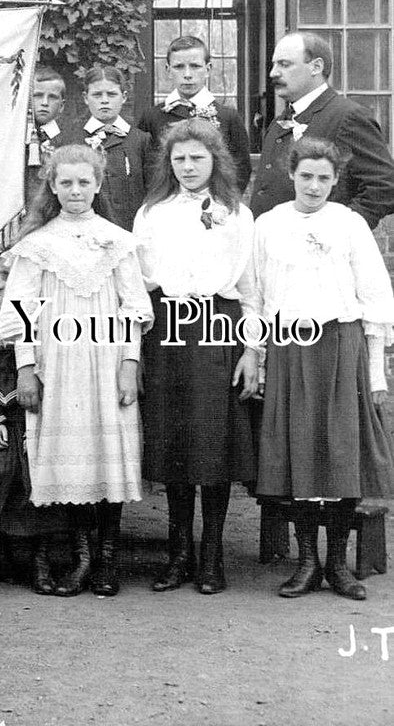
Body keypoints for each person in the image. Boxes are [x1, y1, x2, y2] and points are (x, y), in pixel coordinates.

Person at [0, 144, 153, 597]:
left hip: (106, 362)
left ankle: (106, 561)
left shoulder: (117, 241)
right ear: (53, 186)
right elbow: (23, 311)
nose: (75, 190)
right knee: (69, 461)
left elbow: (133, 309)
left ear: (98, 185)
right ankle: (80, 556)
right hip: (57, 366)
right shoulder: (37, 245)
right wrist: (27, 369)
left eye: (84, 182)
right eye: (66, 182)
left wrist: (129, 363)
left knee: (108, 453)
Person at [253, 137, 394, 600]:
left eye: (324, 178)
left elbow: (375, 297)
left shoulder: (349, 224)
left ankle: (337, 564)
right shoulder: (269, 225)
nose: (314, 186)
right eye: (306, 176)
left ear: (336, 181)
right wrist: (257, 354)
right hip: (290, 345)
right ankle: (306, 562)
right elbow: (254, 294)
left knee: (340, 454)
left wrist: (375, 374)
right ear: (291, 174)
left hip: (340, 345)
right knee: (299, 454)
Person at [132, 118, 260, 595]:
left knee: (213, 443)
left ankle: (212, 554)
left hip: (217, 326)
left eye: (197, 158)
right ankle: (178, 552)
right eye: (179, 158)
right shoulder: (152, 212)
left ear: (215, 161)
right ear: (169, 162)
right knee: (175, 443)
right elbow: (137, 286)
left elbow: (250, 289)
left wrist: (252, 349)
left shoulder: (236, 213)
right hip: (166, 328)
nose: (187, 167)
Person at [0, 257, 70, 595]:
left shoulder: (40, 323)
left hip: (39, 417)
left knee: (38, 469)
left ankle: (42, 560)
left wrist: (36, 424)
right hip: (3, 419)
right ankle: (8, 552)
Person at [252, 31, 394, 228]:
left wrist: (339, 232)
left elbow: (384, 187)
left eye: (284, 64)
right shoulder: (279, 123)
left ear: (316, 67)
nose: (273, 73)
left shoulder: (349, 117)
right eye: (274, 64)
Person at [139, 35, 252, 189]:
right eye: (179, 67)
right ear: (168, 70)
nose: (187, 74)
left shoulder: (228, 117)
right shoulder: (151, 117)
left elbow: (241, 169)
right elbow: (145, 169)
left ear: (208, 69)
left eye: (195, 66)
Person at [60, 66, 152, 229]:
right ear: (86, 98)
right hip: (85, 229)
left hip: (130, 228)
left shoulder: (140, 140)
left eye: (111, 94)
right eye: (97, 95)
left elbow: (152, 189)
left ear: (123, 97)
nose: (104, 100)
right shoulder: (72, 140)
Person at [28, 66, 66, 172]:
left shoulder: (68, 140)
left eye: (52, 97)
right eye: (38, 95)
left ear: (61, 106)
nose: (44, 103)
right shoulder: (17, 137)